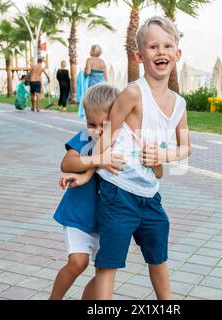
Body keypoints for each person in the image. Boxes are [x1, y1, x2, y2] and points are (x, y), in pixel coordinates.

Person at [89, 16, 192, 300]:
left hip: (149, 195)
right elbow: (105, 139)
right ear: (139, 55)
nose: (161, 52)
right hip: (117, 192)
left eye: (168, 46)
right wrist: (89, 168)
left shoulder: (179, 104)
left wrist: (164, 154)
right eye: (153, 47)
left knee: (158, 256)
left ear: (177, 54)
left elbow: (186, 148)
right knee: (109, 263)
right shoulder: (133, 93)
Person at [49, 83, 162, 300]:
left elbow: (156, 172)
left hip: (109, 220)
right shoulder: (85, 138)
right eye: (92, 123)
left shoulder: (127, 143)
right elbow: (67, 162)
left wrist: (155, 159)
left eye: (105, 125)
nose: (98, 130)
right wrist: (98, 159)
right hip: (79, 217)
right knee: (78, 262)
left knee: (104, 270)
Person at [77, 45, 108, 121]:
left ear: (92, 51)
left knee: (91, 103)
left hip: (92, 84)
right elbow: (106, 77)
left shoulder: (89, 60)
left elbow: (88, 72)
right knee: (100, 103)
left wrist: (82, 74)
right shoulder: (103, 61)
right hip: (102, 85)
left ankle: (93, 120)